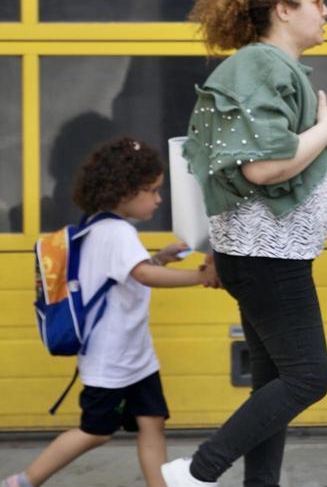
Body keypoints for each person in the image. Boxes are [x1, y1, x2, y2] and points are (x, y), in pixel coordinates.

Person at [162, 0, 327, 487]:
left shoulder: (260, 67)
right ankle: (197, 471)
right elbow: (264, 166)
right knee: (309, 378)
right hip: (270, 257)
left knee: (274, 380)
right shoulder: (261, 66)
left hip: (262, 254)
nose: (326, 12)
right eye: (316, 2)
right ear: (284, 10)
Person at [4, 138, 218, 487]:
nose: (159, 198)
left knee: (152, 421)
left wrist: (160, 257)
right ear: (124, 192)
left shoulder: (98, 227)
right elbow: (143, 275)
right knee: (96, 431)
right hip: (112, 362)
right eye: (152, 190)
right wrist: (199, 276)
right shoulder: (118, 233)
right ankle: (24, 481)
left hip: (136, 359)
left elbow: (127, 272)